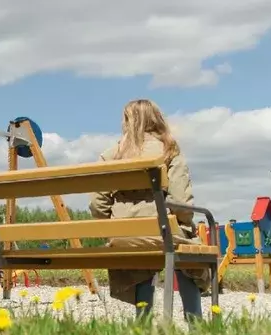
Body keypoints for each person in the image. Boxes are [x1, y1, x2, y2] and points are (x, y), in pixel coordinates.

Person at [89, 99, 208, 320]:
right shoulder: (169, 150)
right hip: (161, 232)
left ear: (127, 121)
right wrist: (184, 223)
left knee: (140, 255)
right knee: (189, 254)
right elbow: (181, 201)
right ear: (156, 119)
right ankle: (196, 324)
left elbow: (97, 206)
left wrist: (115, 224)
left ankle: (142, 323)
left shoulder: (111, 154)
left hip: (122, 236)